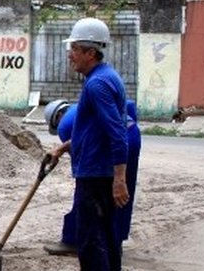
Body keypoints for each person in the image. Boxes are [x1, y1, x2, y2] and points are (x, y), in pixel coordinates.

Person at [48, 18, 130, 271]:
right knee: (108, 235)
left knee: (91, 238)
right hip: (97, 169)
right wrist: (63, 147)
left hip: (96, 174)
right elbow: (92, 130)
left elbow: (116, 132)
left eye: (74, 49)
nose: (70, 55)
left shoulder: (97, 84)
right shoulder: (105, 78)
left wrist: (119, 178)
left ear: (90, 52)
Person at [43, 98, 142, 256]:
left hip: (110, 144)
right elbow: (129, 106)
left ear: (57, 117)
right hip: (132, 136)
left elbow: (80, 157)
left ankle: (72, 241)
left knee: (85, 190)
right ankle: (115, 242)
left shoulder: (64, 125)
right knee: (123, 192)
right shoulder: (84, 105)